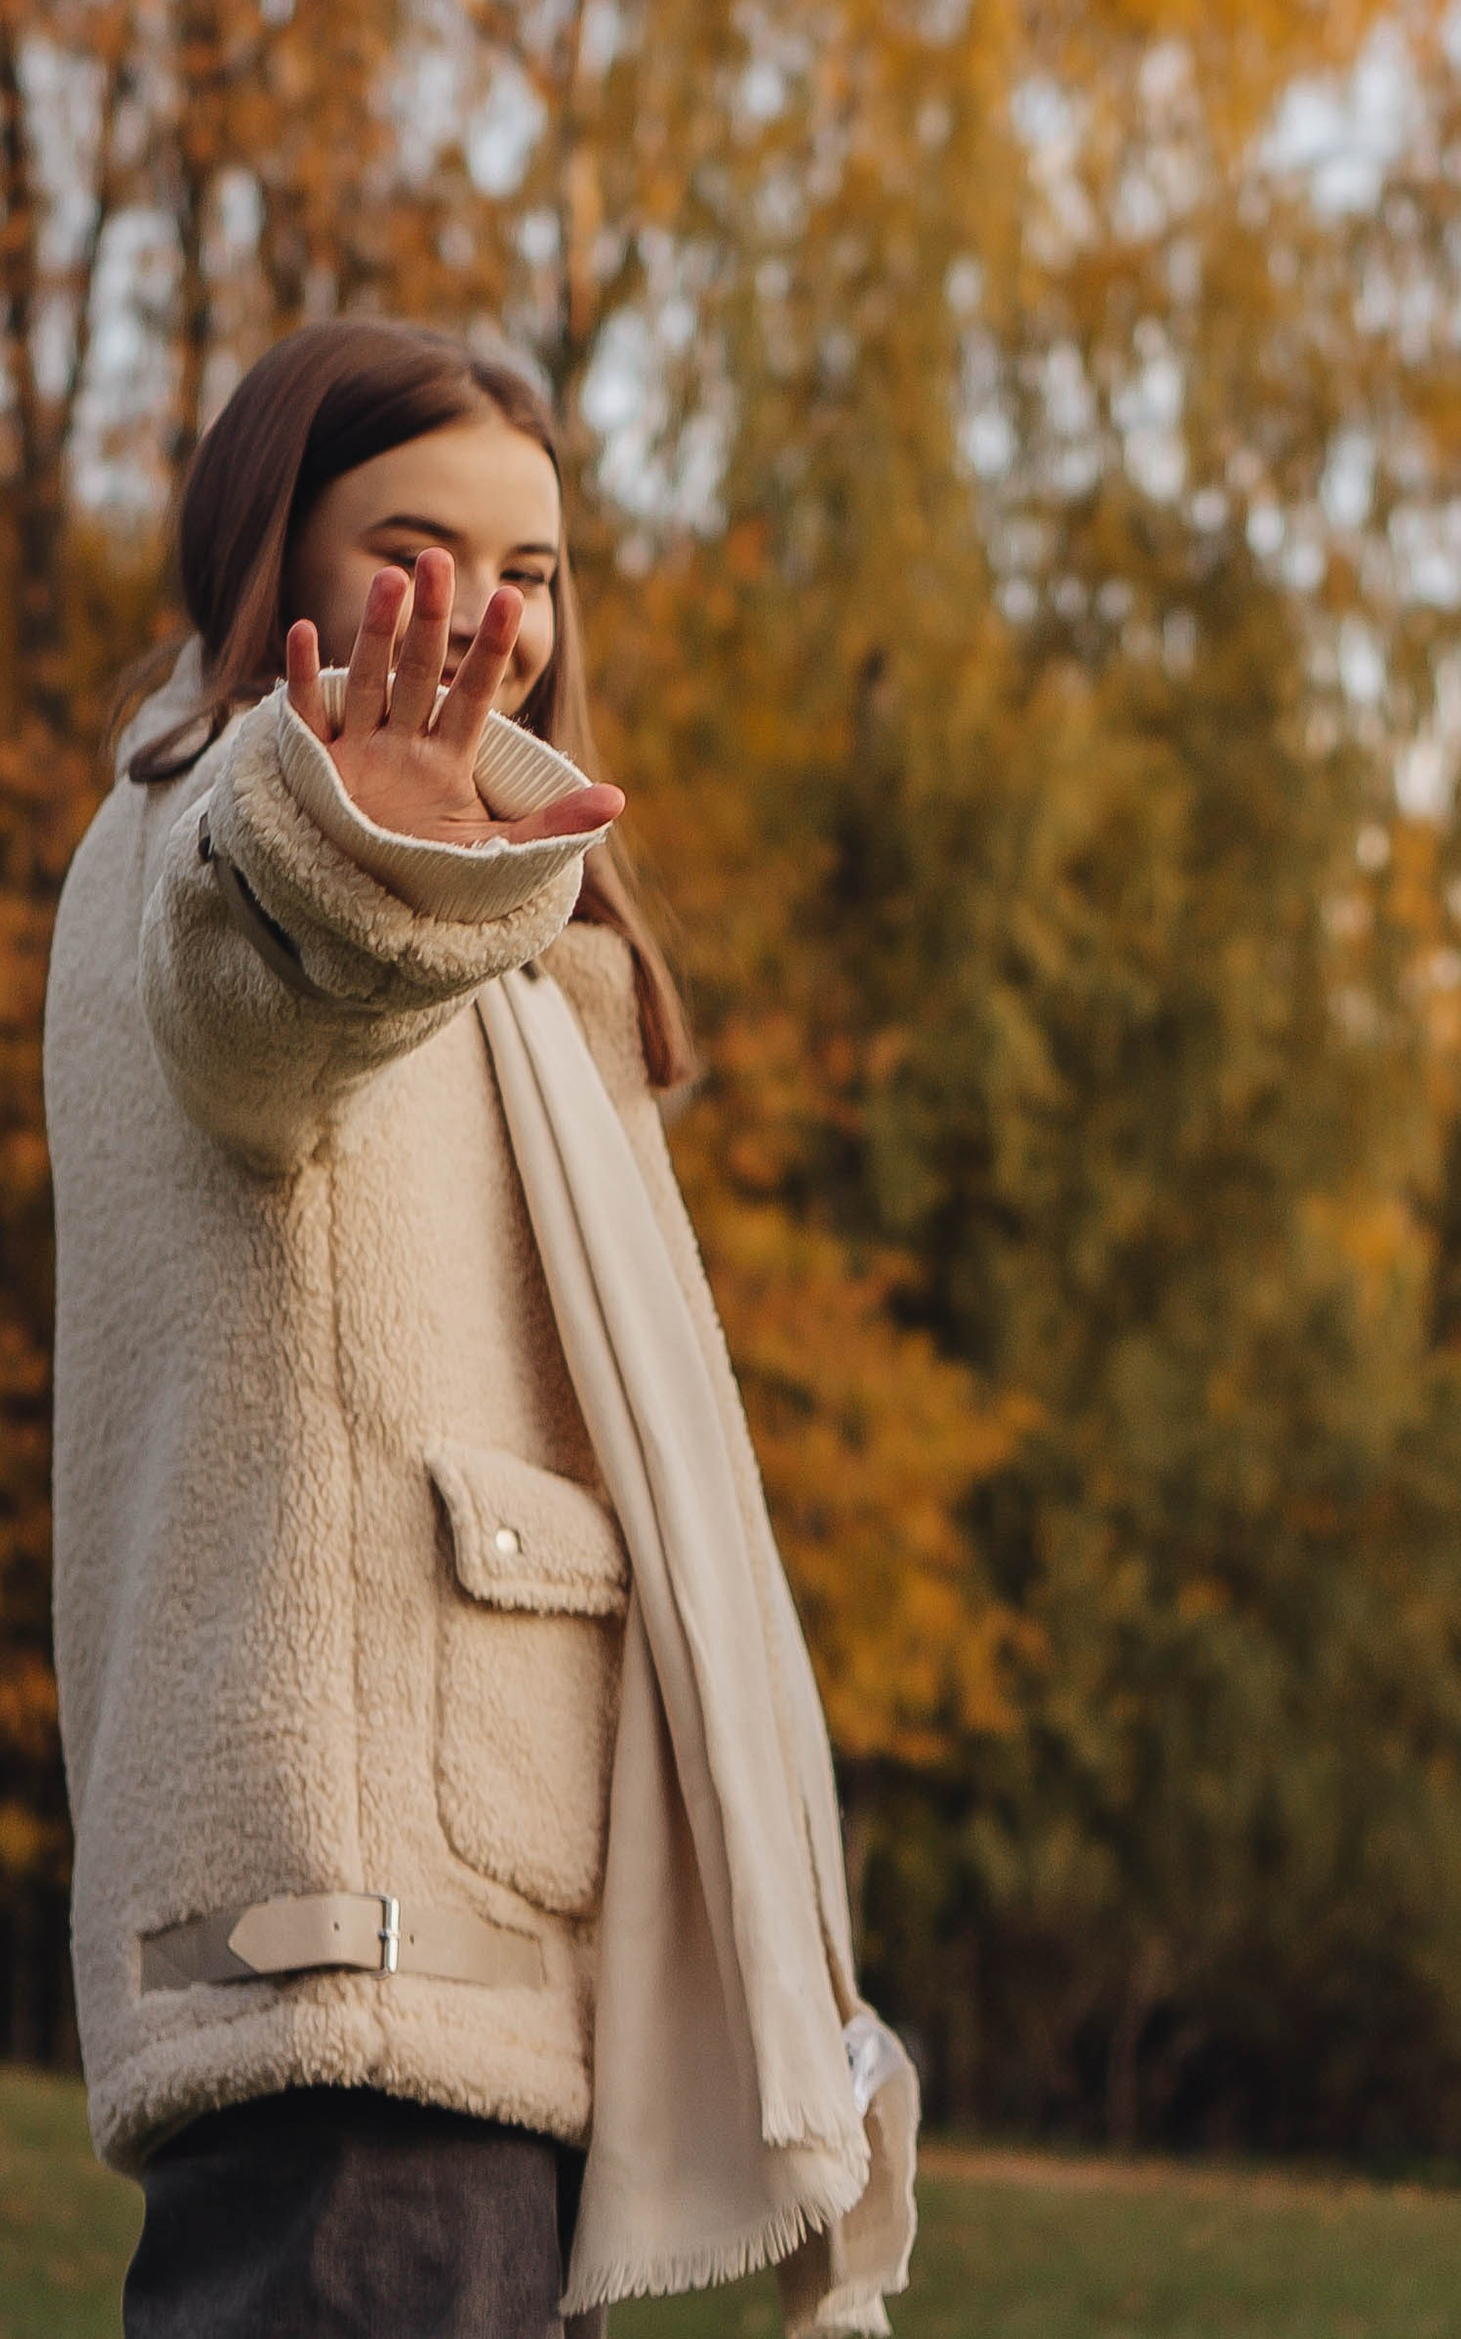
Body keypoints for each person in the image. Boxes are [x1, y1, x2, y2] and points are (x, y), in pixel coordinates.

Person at [45, 319, 918, 2339]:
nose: (491, 620)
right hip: (358, 1967)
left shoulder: (504, 929)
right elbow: (262, 1021)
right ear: (274, 557)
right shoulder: (225, 834)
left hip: (468, 1974)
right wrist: (365, 849)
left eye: (529, 570)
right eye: (417, 553)